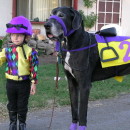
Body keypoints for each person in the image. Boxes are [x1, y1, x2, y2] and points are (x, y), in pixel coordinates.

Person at [0, 16, 39, 130]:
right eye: (13, 35)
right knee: (11, 104)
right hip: (10, 83)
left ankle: (22, 123)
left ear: (25, 36)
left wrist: (33, 83)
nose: (15, 37)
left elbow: (34, 67)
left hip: (24, 83)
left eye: (19, 35)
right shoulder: (7, 50)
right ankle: (12, 123)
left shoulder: (31, 51)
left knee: (22, 105)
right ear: (10, 36)